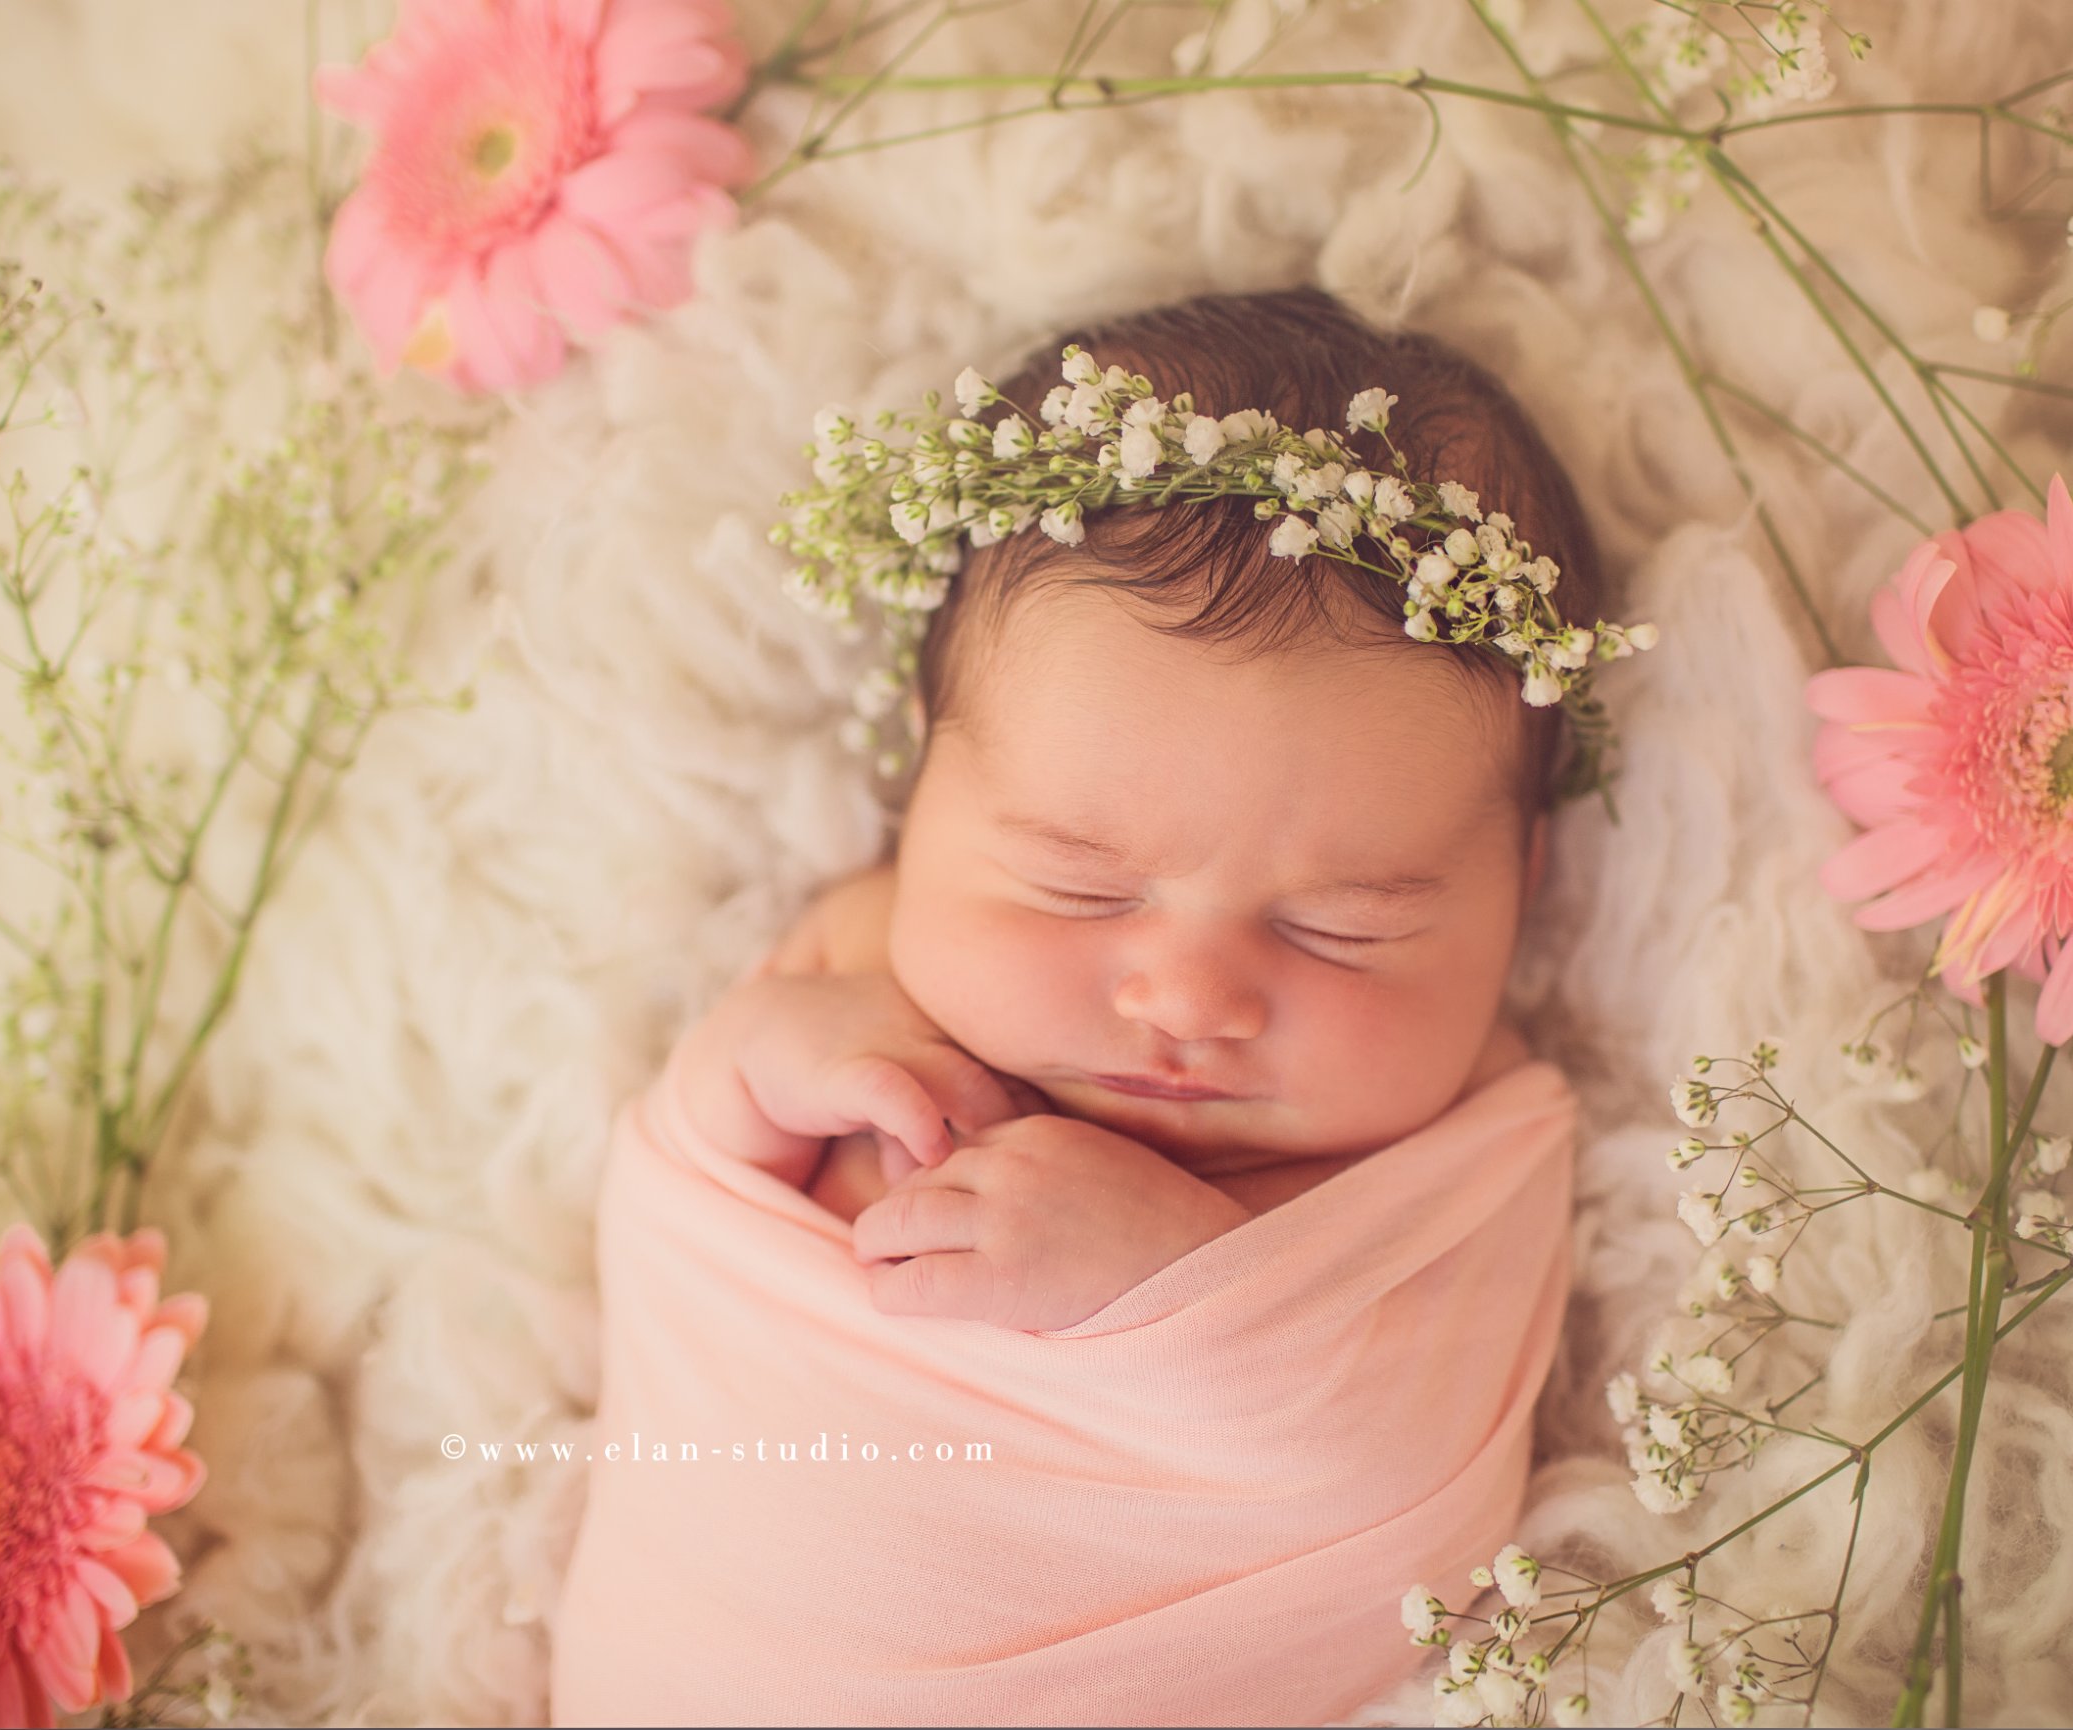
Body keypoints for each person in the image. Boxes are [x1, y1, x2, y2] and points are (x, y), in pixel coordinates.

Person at [551, 286, 1633, 1726]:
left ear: (1521, 882)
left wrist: (1174, 1283)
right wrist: (747, 1076)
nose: (1187, 997)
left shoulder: (1467, 1141)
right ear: (923, 792)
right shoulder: (860, 964)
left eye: (1342, 924)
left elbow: (1407, 1483)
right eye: (1077, 886)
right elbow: (676, 1211)